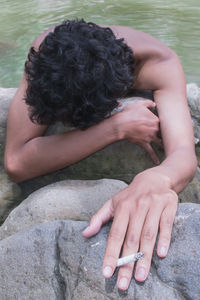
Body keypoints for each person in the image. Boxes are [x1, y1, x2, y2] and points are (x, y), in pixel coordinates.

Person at [4, 19, 197, 291]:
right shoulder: (48, 57)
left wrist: (157, 180)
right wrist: (115, 128)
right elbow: (16, 161)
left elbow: (183, 154)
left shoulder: (158, 63)